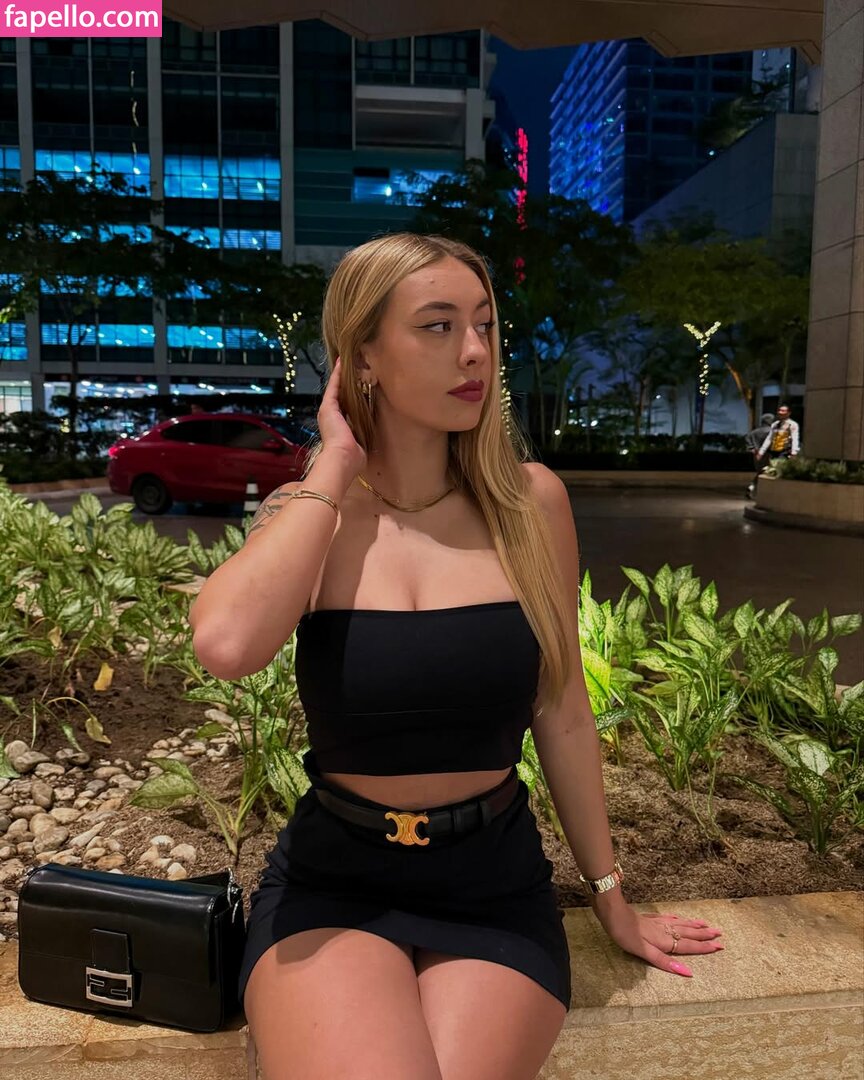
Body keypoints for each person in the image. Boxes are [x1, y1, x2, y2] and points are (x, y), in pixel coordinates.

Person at [189, 233, 725, 1080]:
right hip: (335, 882)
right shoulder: (311, 512)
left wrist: (611, 898)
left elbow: (562, 712)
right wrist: (335, 464)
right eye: (437, 326)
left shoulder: (530, 505)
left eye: (483, 325)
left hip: (493, 883)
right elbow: (225, 646)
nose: (474, 351)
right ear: (363, 355)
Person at [744, 411, 775, 499]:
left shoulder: (754, 432)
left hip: (756, 455)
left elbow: (747, 438)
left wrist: (752, 448)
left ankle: (753, 488)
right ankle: (755, 489)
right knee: (766, 472)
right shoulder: (771, 432)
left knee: (760, 472)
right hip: (767, 454)